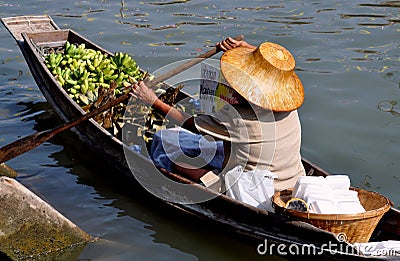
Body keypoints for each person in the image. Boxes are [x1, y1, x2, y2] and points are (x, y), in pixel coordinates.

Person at [131, 37, 306, 192]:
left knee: (176, 161)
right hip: (292, 179)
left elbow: (192, 125)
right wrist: (247, 49)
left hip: (251, 190)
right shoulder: (287, 106)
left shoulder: (239, 119)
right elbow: (275, 73)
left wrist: (153, 101)